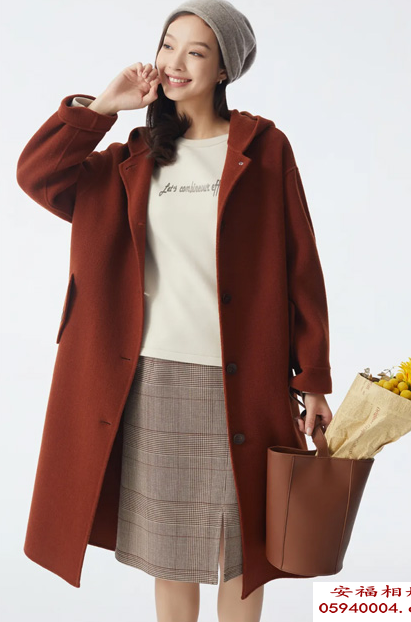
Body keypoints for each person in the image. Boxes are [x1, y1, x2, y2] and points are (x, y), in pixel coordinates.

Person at [17, 1, 333, 620]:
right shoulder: (132, 157)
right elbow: (39, 175)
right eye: (168, 45)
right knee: (171, 553)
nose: (175, 62)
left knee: (245, 553)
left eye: (196, 51)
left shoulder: (264, 148)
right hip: (153, 378)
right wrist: (102, 108)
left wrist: (313, 379)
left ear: (224, 69)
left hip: (246, 379)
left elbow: (301, 267)